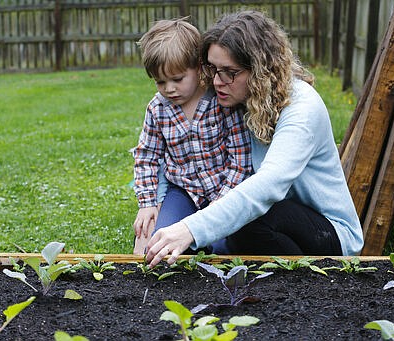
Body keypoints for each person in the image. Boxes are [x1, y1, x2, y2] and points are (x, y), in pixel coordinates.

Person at [145, 10, 364, 267]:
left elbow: (267, 185)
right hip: (274, 216)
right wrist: (154, 207)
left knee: (249, 224)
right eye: (213, 69)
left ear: (259, 70)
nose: (216, 81)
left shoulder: (301, 109)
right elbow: (171, 150)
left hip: (328, 232)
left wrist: (189, 229)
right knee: (242, 227)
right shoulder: (239, 98)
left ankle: (304, 282)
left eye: (229, 72)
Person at [132, 18, 253, 254]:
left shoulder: (222, 101)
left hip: (223, 192)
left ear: (199, 68)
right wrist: (147, 203)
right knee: (159, 244)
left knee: (224, 247)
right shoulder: (158, 109)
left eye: (177, 79)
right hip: (183, 192)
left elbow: (241, 160)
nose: (169, 89)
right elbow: (146, 157)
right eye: (160, 82)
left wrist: (221, 205)